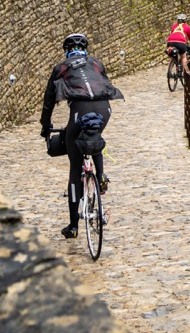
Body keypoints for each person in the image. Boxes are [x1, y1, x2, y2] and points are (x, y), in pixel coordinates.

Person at [40, 33, 124, 240]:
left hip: (79, 109)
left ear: (67, 51)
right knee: (93, 133)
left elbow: (48, 101)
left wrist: (45, 125)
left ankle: (73, 226)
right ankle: (101, 176)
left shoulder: (61, 67)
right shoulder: (96, 63)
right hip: (105, 108)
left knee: (75, 166)